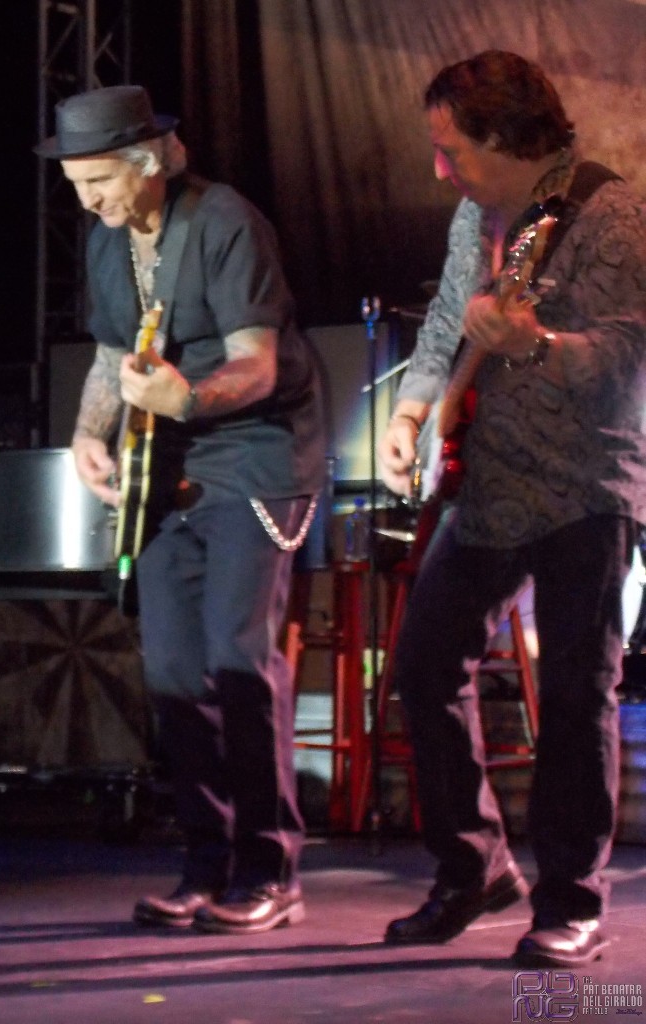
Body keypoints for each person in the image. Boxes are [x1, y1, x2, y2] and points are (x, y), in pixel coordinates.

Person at [35, 85, 325, 934]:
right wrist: (87, 433)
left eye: (98, 181)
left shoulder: (226, 221)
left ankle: (269, 869)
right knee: (170, 673)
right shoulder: (106, 239)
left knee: (238, 660)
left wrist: (188, 397)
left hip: (252, 456)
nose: (87, 202)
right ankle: (206, 864)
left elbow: (257, 363)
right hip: (165, 466)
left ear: (151, 161)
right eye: (77, 185)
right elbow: (111, 353)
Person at [377, 50, 646, 967]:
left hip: (585, 484)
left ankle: (570, 902)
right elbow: (446, 324)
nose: (439, 169)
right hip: (490, 483)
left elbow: (625, 361)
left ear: (502, 138)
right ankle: (474, 868)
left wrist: (535, 345)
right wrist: (411, 411)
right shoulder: (477, 219)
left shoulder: (613, 216)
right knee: (423, 666)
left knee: (575, 695)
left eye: (451, 149)